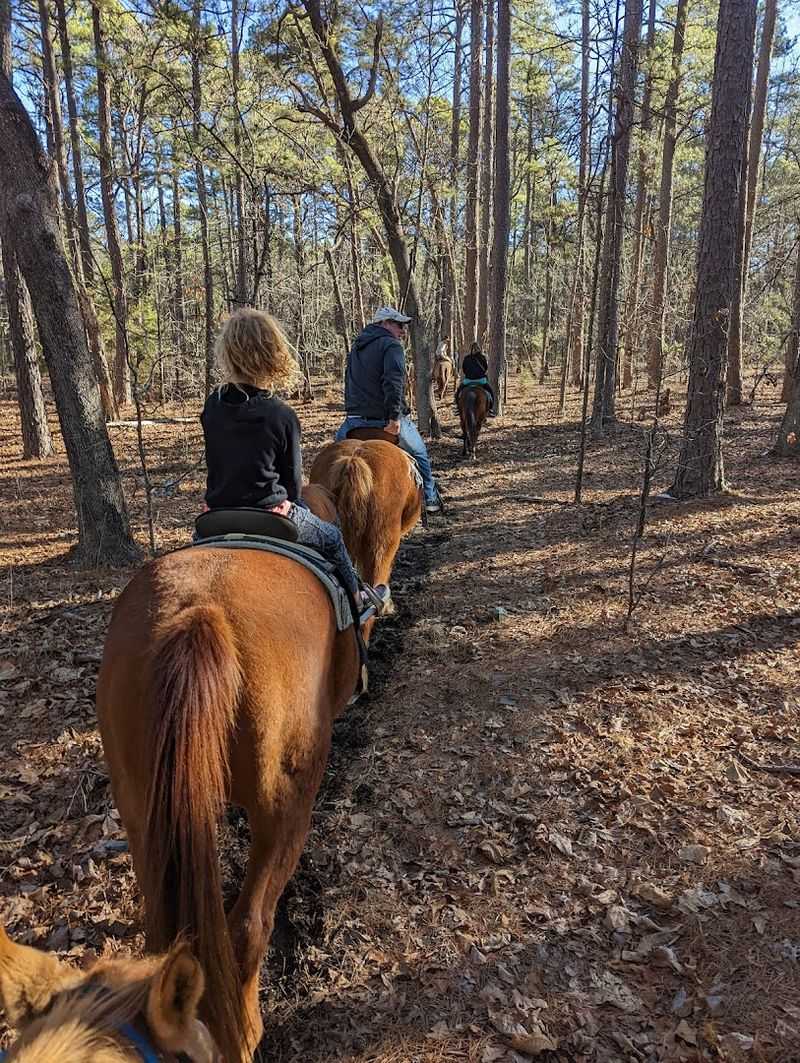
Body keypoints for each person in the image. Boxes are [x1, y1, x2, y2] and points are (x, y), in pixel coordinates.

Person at [201, 308, 387, 612]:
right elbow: (291, 485)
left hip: (216, 515)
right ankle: (356, 599)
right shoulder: (281, 414)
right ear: (272, 351)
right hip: (270, 514)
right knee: (332, 538)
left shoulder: (213, 405)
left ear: (228, 352)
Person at [335, 306, 442, 512]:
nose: (403, 330)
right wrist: (393, 417)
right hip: (383, 420)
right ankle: (429, 497)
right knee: (420, 453)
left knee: (335, 462)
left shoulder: (357, 347)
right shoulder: (391, 346)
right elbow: (393, 382)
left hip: (354, 419)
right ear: (384, 323)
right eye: (399, 325)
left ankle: (332, 504)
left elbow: (349, 381)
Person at [455, 342, 495, 414]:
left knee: (458, 392)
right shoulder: (483, 357)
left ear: (470, 350)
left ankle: (458, 408)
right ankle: (490, 409)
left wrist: (469, 374)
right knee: (490, 392)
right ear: (479, 349)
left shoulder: (466, 358)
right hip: (481, 381)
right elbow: (485, 368)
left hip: (468, 381)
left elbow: (464, 369)